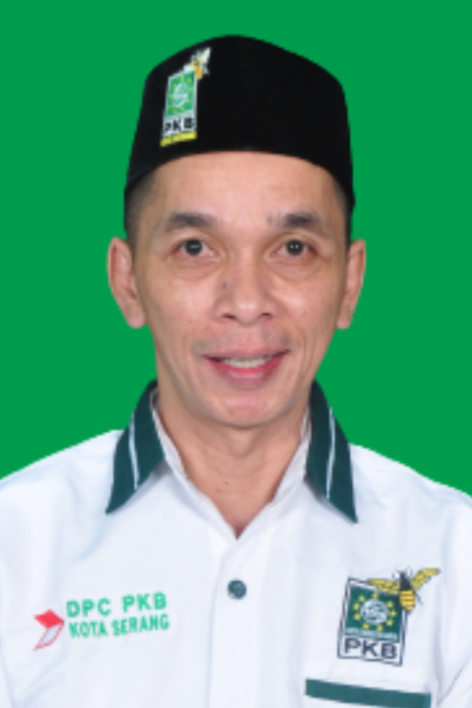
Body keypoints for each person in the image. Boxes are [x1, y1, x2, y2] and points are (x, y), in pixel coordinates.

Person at [0, 35, 470, 708]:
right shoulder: (15, 547)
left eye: (293, 248)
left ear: (349, 283)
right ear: (127, 281)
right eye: (195, 247)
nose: (246, 302)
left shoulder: (454, 558)